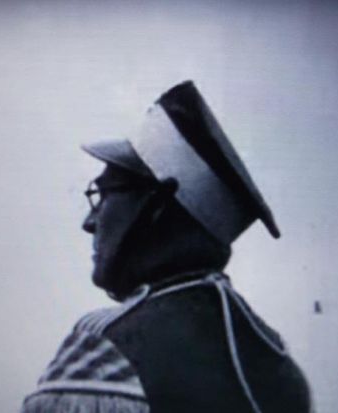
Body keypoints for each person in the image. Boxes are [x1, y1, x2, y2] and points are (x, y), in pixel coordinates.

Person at [21, 81, 312, 413]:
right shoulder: (277, 362)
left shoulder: (107, 345)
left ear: (156, 205)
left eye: (104, 195)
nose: (90, 221)